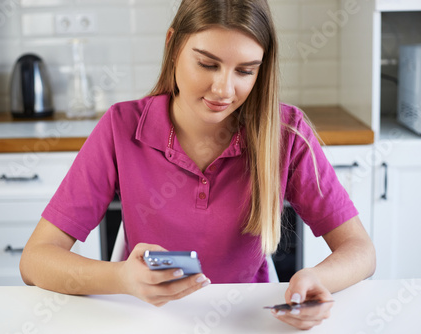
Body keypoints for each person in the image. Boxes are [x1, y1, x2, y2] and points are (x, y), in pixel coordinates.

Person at [20, 0, 376, 330]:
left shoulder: (287, 132)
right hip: (146, 319)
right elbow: (36, 261)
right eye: (207, 64)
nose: (223, 89)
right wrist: (121, 278)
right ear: (173, 46)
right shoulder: (120, 127)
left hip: (245, 321)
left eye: (245, 71)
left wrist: (317, 278)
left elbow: (360, 250)